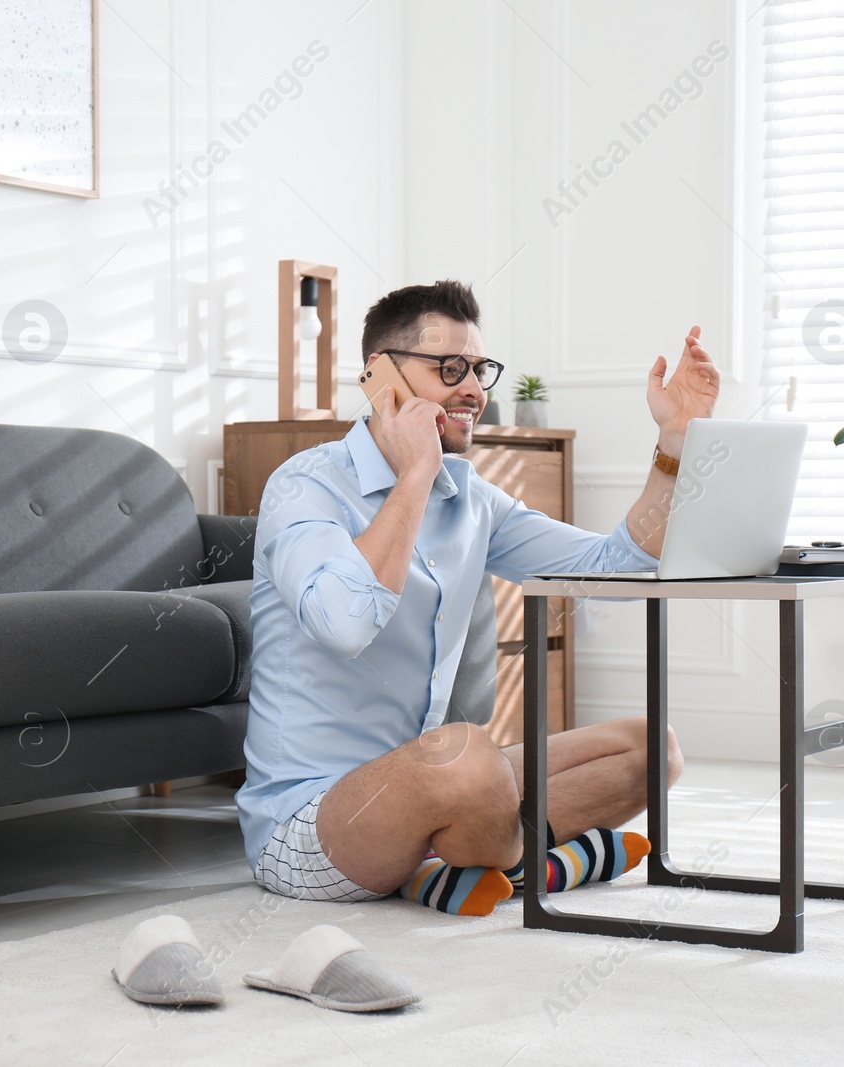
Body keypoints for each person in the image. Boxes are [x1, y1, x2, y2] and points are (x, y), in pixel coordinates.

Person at [235, 279, 721, 915]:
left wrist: (675, 449)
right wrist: (415, 472)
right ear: (382, 377)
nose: (474, 390)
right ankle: (542, 864)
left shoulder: (472, 499)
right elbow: (346, 623)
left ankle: (460, 865)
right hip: (309, 822)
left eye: (480, 369)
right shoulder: (305, 486)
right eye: (450, 369)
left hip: (443, 784)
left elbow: (616, 568)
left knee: (653, 748)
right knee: (465, 755)